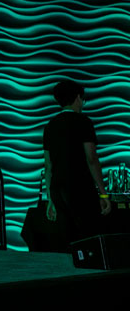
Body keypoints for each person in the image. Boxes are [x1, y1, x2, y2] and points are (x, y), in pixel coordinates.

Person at [43, 80, 111, 243]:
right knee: (89, 237)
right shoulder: (84, 122)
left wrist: (50, 199)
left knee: (67, 239)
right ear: (78, 98)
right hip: (79, 188)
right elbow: (91, 159)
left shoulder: (50, 126)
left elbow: (48, 165)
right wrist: (103, 193)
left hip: (58, 189)